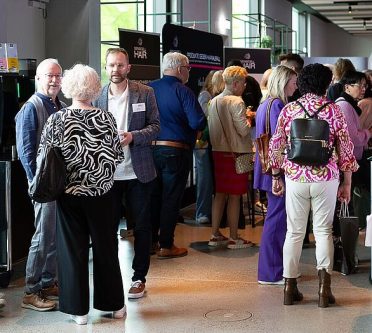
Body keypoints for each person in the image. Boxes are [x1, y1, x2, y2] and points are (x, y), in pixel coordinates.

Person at [39, 64, 125, 325]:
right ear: (94, 88)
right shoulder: (106, 118)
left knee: (72, 251)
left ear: (68, 87)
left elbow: (44, 158)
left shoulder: (57, 119)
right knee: (106, 249)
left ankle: (79, 311)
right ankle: (114, 305)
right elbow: (117, 157)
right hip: (103, 194)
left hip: (70, 194)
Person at [269, 63, 358, 307]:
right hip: (326, 178)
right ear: (326, 84)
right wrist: (347, 182)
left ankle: (289, 288)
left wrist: (276, 177)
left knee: (294, 232)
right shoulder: (333, 110)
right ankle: (323, 290)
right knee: (323, 232)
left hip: (295, 176)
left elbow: (275, 146)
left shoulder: (289, 110)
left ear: (302, 83)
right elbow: (346, 150)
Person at [93, 47, 160, 298]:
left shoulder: (145, 92)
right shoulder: (97, 96)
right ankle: (110, 276)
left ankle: (139, 277)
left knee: (142, 227)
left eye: (120, 65)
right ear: (106, 67)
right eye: (111, 65)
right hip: (108, 174)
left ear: (128, 68)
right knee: (107, 228)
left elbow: (155, 126)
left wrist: (133, 136)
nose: (115, 70)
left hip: (138, 172)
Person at [15, 58, 65, 311]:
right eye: (49, 75)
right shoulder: (31, 108)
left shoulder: (60, 106)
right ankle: (30, 291)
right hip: (43, 186)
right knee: (43, 236)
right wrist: (38, 184)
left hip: (59, 185)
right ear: (38, 78)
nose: (55, 80)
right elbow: (26, 152)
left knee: (54, 236)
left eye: (58, 75)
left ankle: (48, 282)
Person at [149, 52, 206, 259]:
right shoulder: (183, 91)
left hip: (150, 150)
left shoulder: (149, 89)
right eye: (188, 68)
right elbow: (197, 122)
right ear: (181, 69)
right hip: (176, 150)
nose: (189, 72)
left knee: (152, 197)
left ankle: (150, 243)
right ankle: (166, 245)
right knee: (171, 199)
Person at [254, 65, 297, 284]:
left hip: (268, 169)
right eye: (293, 82)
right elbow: (278, 143)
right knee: (277, 219)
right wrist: (277, 175)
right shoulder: (277, 105)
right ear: (283, 82)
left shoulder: (266, 104)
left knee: (276, 217)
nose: (295, 86)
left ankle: (272, 270)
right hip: (274, 171)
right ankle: (271, 273)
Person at [207, 65, 254, 249]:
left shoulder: (214, 101)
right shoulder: (237, 101)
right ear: (235, 83)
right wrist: (249, 119)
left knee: (220, 194)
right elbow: (243, 130)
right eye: (243, 83)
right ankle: (234, 237)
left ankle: (214, 234)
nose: (244, 87)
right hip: (236, 153)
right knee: (235, 196)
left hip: (217, 152)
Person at [194, 70, 215, 224]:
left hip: (208, 143)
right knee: (204, 178)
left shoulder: (210, 96)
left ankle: (205, 211)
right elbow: (203, 119)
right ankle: (202, 212)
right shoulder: (205, 96)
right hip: (202, 143)